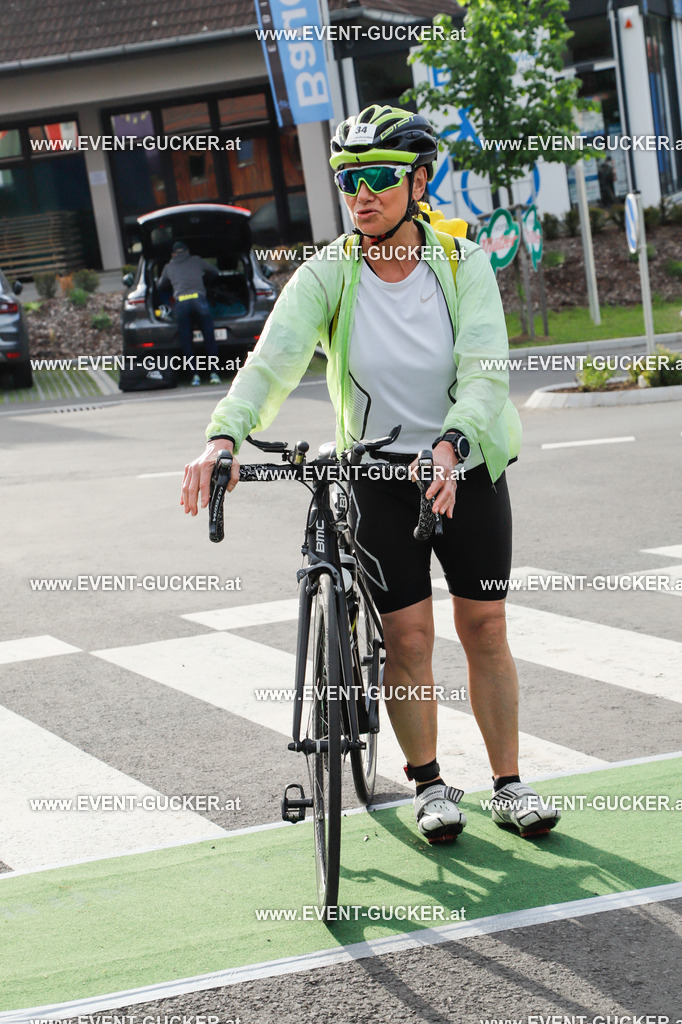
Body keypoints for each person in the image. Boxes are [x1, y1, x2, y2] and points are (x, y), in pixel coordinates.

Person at [181, 104, 561, 843]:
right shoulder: (329, 273)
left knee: (484, 622)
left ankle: (509, 785)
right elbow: (273, 364)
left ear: (419, 181)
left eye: (382, 177)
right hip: (377, 473)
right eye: (351, 178)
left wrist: (452, 446)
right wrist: (224, 435)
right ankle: (429, 785)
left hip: (466, 462)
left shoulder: (463, 262)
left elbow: (485, 374)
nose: (364, 193)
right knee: (409, 635)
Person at [157, 240, 222, 386]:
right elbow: (215, 272)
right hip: (200, 302)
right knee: (209, 339)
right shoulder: (197, 261)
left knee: (187, 342)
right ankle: (214, 374)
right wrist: (203, 280)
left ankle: (195, 377)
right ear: (187, 251)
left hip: (181, 304)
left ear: (173, 253)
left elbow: (160, 286)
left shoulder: (169, 266)